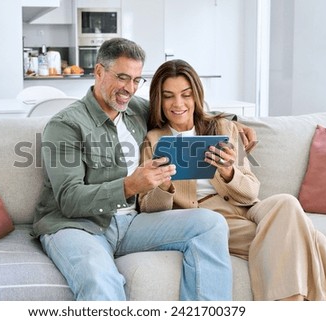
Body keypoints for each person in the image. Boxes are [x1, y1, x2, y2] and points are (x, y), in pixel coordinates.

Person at [32, 38, 234, 300]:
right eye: (123, 77)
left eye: (137, 80)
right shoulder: (66, 125)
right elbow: (69, 200)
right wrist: (130, 186)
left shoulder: (136, 109)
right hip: (76, 226)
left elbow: (180, 108)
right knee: (99, 278)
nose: (130, 88)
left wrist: (236, 123)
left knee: (210, 224)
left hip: (132, 223)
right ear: (99, 72)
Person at [139, 59, 326, 301]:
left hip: (246, 207)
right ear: (158, 100)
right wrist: (164, 186)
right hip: (208, 217)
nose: (178, 104)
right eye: (168, 96)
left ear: (196, 95)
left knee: (287, 203)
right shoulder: (154, 140)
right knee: (314, 240)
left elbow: (250, 192)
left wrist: (229, 173)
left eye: (186, 94)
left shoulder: (224, 127)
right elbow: (147, 207)